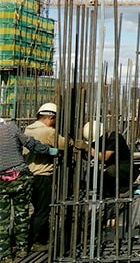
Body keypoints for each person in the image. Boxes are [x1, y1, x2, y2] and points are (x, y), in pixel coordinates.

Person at [0, 118, 58, 263]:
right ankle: (22, 250)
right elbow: (31, 144)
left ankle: (5, 255)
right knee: (22, 215)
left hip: (1, 180)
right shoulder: (11, 129)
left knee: (2, 219)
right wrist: (50, 150)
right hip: (20, 177)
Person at [24, 103, 67, 251]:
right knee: (42, 211)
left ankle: (34, 239)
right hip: (42, 175)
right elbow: (65, 144)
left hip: (28, 174)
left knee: (35, 209)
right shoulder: (48, 132)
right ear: (50, 117)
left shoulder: (28, 129)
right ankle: (35, 242)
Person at [81, 121, 133, 198]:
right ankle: (103, 191)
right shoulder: (100, 141)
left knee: (111, 170)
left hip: (124, 168)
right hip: (109, 168)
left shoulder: (115, 138)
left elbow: (104, 157)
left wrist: (87, 148)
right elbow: (91, 156)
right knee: (92, 170)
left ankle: (124, 189)